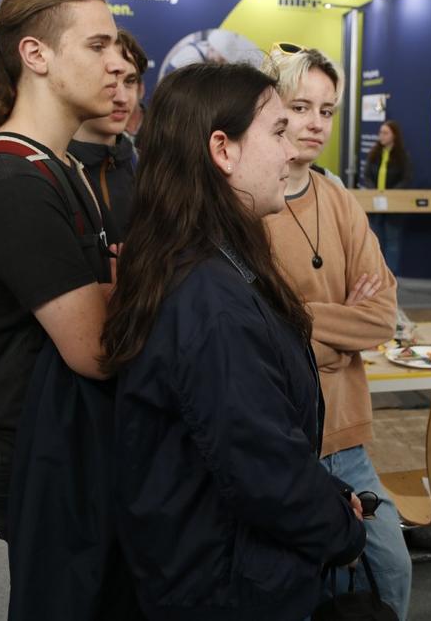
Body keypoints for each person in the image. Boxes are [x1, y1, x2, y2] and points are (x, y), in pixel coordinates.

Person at [101, 62, 366, 620]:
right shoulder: (210, 298)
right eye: (276, 131)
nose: (292, 150)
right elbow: (262, 467)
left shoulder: (205, 262)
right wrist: (341, 528)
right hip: (225, 580)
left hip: (213, 561)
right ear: (223, 150)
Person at [0, 0, 125, 541]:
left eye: (117, 46)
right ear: (36, 54)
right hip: (37, 454)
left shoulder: (55, 166)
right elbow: (96, 351)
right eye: (98, 45)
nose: (116, 64)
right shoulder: (13, 182)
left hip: (62, 441)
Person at [263, 46, 412, 618]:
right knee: (296, 590)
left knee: (389, 574)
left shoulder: (339, 200)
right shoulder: (243, 201)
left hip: (346, 440)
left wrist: (294, 319)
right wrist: (334, 324)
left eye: (326, 111)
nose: (315, 123)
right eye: (300, 106)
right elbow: (250, 331)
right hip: (278, 439)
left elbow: (380, 316)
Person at [68, 29, 146, 240]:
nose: (122, 97)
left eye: (129, 81)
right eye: (110, 82)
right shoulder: (53, 168)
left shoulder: (147, 169)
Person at [360, 119, 411, 273]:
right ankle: (376, 275)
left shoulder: (402, 156)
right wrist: (374, 190)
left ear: (394, 135)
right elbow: (367, 175)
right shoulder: (374, 154)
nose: (380, 135)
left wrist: (391, 194)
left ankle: (390, 276)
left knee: (392, 242)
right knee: (375, 241)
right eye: (380, 132)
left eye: (385, 133)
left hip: (394, 206)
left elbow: (406, 178)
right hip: (374, 204)